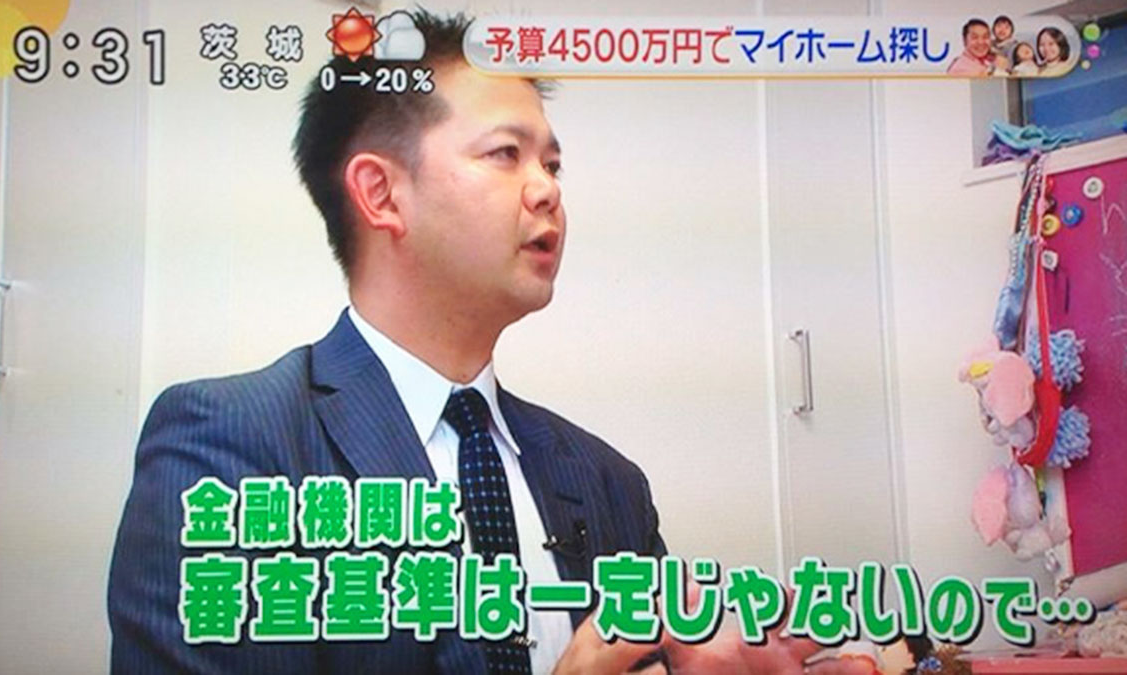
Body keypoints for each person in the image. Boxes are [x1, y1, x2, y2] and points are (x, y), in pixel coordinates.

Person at [107, 10, 870, 675]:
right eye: (506, 153)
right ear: (380, 192)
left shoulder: (608, 483)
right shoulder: (232, 445)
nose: (548, 189)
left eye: (553, 163)